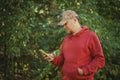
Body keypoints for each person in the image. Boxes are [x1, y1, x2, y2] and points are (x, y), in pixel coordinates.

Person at [43, 10, 105, 80]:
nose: (64, 27)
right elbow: (62, 60)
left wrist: (84, 70)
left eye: (66, 24)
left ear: (75, 20)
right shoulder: (66, 39)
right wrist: (53, 59)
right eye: (63, 25)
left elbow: (100, 60)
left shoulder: (90, 36)